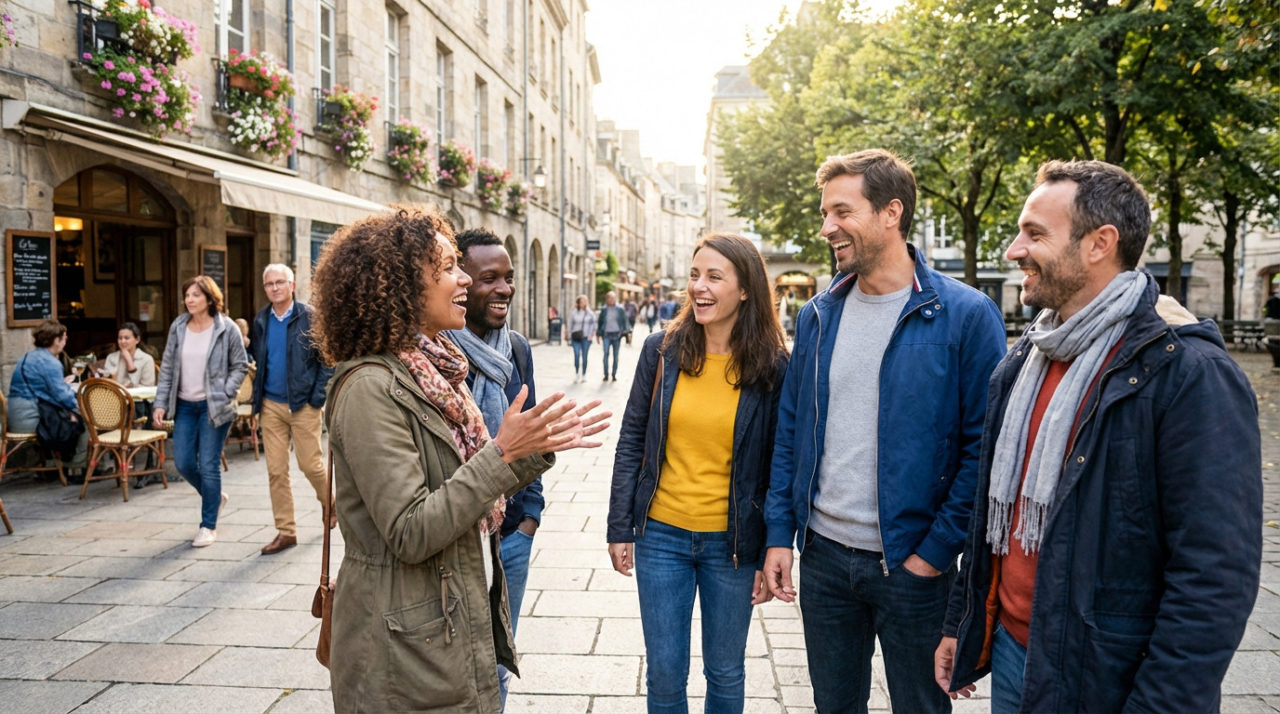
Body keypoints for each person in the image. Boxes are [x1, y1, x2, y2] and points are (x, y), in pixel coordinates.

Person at [934, 160, 1263, 713]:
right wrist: (962, 623)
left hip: (1106, 675)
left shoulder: (1188, 372)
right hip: (1017, 655)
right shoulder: (1024, 361)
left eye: (1035, 234)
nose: (1015, 250)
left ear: (1099, 244)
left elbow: (1215, 575)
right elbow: (993, 520)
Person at [310, 206, 609, 712]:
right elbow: (410, 530)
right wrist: (503, 452)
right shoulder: (370, 387)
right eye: (448, 267)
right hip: (402, 642)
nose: (464, 279)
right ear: (404, 285)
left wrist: (530, 450)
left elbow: (460, 480)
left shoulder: (435, 368)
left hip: (439, 622)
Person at [762, 149, 1007, 713]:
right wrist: (781, 532)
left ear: (891, 212)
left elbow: (984, 450)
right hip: (824, 560)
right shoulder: (818, 314)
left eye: (842, 212)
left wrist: (934, 555)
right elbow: (792, 431)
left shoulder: (966, 315)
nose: (827, 228)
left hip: (913, 568)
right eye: (825, 213)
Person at [608, 233, 789, 714]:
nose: (698, 287)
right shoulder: (661, 350)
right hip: (660, 535)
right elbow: (631, 440)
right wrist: (619, 526)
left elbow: (778, 465)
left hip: (731, 545)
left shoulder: (773, 366)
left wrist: (769, 547)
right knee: (665, 672)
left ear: (745, 288)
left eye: (713, 277)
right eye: (694, 275)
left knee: (726, 672)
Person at [442, 228, 542, 710]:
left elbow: (534, 436)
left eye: (508, 277)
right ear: (460, 281)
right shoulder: (434, 354)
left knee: (498, 666)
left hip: (509, 534)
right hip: (451, 534)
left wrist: (529, 517)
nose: (504, 288)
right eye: (489, 278)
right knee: (450, 670)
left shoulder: (517, 349)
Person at [153, 275, 250, 548]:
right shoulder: (178, 327)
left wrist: (225, 392)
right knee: (183, 463)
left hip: (214, 408)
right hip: (184, 405)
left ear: (209, 298)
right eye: (187, 295)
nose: (190, 300)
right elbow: (169, 368)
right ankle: (215, 498)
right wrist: (160, 403)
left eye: (195, 295)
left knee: (209, 465)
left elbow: (240, 365)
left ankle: (208, 525)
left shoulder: (226, 328)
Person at [249, 264, 335, 555]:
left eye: (280, 283)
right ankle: (286, 531)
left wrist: (316, 398)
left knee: (310, 464)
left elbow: (327, 360)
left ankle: (330, 502)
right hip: (271, 404)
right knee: (276, 470)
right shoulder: (261, 320)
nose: (274, 288)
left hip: (303, 404)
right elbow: (261, 362)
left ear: (292, 285)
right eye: (269, 284)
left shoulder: (310, 317)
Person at [7, 319, 89, 476]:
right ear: (56, 340)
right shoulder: (50, 362)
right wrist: (82, 405)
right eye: (64, 338)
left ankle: (53, 464)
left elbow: (46, 390)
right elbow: (62, 397)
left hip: (15, 414)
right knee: (86, 418)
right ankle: (77, 466)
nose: (66, 341)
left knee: (71, 414)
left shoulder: (26, 357)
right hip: (31, 418)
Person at [101, 322, 156, 388]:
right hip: (114, 397)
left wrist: (129, 361)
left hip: (136, 397)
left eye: (126, 338)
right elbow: (107, 383)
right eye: (120, 338)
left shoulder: (147, 359)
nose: (122, 341)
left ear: (137, 340)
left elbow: (148, 388)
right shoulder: (111, 357)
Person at [596, 291, 631, 381]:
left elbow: (624, 321)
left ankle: (614, 374)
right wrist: (598, 335)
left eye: (613, 298)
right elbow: (600, 322)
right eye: (609, 298)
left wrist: (625, 332)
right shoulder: (604, 309)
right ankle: (606, 374)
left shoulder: (620, 309)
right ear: (607, 299)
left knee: (616, 356)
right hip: (606, 335)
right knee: (606, 354)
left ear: (616, 299)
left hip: (617, 335)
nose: (611, 300)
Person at [568, 294, 596, 383]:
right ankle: (576, 373)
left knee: (584, 356)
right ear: (578, 303)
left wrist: (591, 334)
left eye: (584, 301)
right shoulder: (574, 312)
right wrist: (569, 335)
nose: (583, 303)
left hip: (586, 338)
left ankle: (584, 374)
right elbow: (570, 324)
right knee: (576, 355)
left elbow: (594, 324)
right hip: (575, 337)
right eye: (581, 301)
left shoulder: (590, 313)